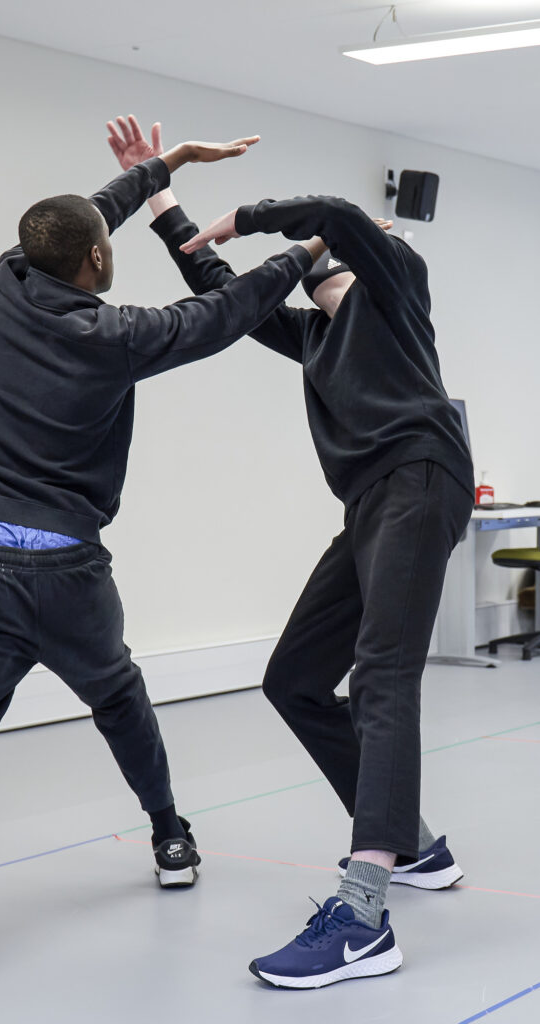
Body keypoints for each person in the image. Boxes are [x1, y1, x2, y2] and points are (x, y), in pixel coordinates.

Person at [0, 124, 324, 1002]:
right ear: (96, 261)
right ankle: (171, 836)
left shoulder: (3, 282)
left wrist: (160, 171)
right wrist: (308, 252)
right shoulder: (115, 334)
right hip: (70, 579)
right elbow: (221, 316)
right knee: (120, 697)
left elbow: (86, 213)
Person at [108, 116, 474, 990]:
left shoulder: (397, 292)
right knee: (295, 679)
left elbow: (337, 214)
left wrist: (252, 214)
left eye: (330, 243)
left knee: (383, 675)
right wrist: (160, 191)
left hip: (422, 476)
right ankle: (415, 843)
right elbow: (216, 283)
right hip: (372, 504)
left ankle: (363, 912)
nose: (315, 250)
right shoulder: (313, 339)